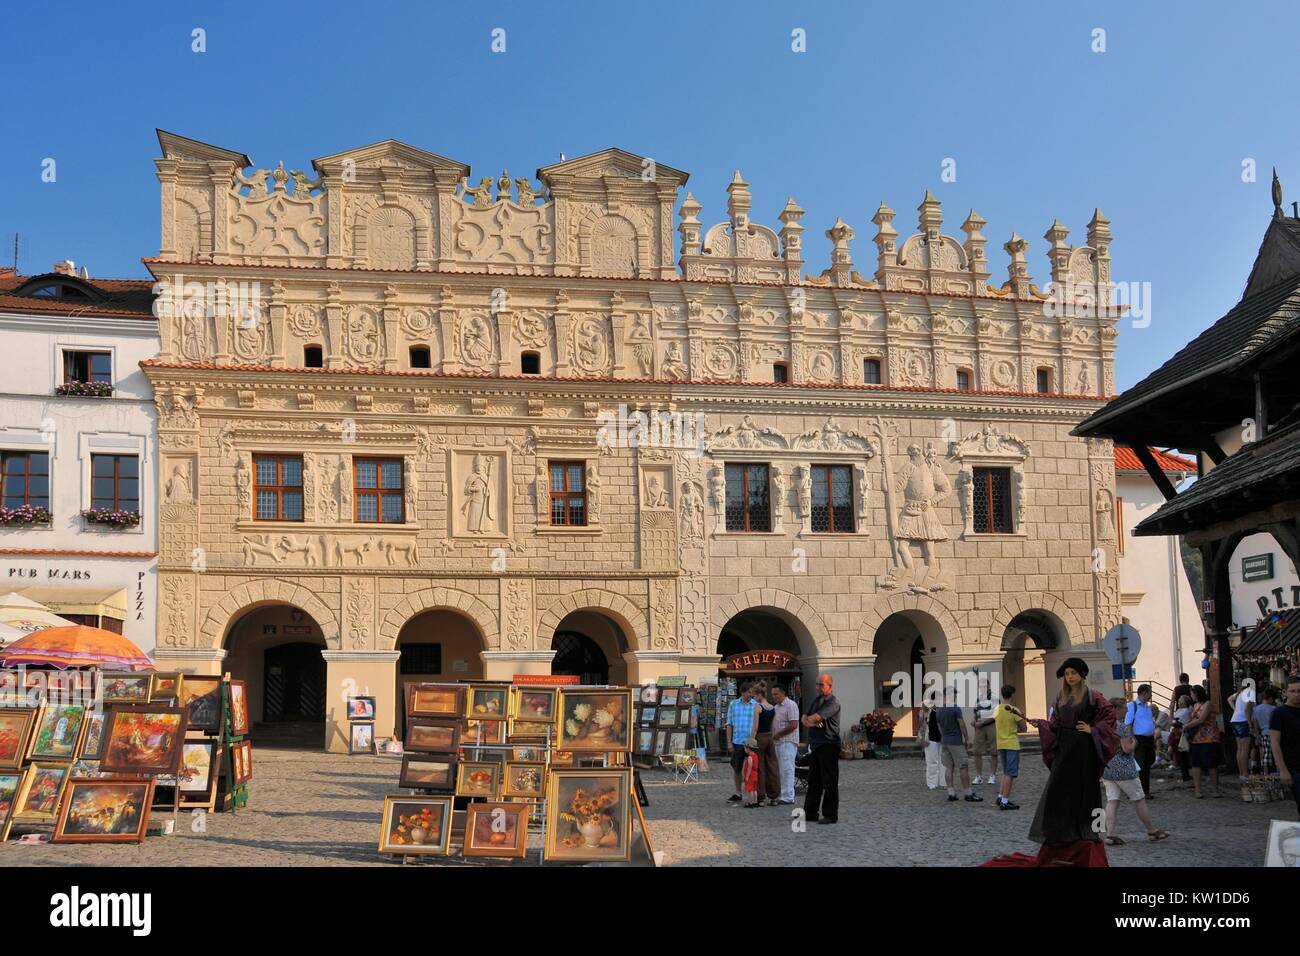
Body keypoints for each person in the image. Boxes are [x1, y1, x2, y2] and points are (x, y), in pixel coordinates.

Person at [1025, 658, 1118, 865]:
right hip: (1065, 751)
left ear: (1082, 675)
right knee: (1059, 791)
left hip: (1084, 751)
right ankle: (1061, 832)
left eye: (1073, 673)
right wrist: (1041, 724)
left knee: (1089, 792)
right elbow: (1055, 724)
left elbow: (1110, 716)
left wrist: (1093, 729)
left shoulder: (1094, 696)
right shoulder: (1060, 697)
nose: (1070, 677)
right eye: (1067, 674)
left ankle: (1091, 832)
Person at [1102, 723, 1170, 846]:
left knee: (1112, 800)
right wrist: (1135, 742)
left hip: (1108, 767)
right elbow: (1127, 748)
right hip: (1124, 768)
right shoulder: (1119, 726)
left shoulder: (1101, 725)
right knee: (1139, 799)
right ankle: (1152, 831)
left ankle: (1110, 834)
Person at [801, 674, 841, 824]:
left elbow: (815, 718)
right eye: (817, 684)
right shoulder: (816, 700)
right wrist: (810, 722)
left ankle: (830, 815)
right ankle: (810, 813)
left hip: (829, 745)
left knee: (829, 782)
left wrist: (811, 720)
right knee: (814, 781)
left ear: (830, 686)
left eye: (821, 685)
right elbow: (804, 718)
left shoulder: (833, 702)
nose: (818, 687)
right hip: (816, 745)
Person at [935, 686, 981, 802]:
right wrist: (967, 739)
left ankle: (951, 793)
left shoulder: (939, 709)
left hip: (945, 741)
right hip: (956, 741)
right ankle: (968, 793)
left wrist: (943, 736)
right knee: (963, 766)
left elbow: (939, 726)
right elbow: (962, 725)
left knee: (948, 767)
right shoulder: (955, 708)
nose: (956, 696)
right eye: (955, 694)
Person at [1269, 673, 1300, 819]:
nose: (1296, 695)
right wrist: (1283, 770)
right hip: (1294, 766)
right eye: (1293, 691)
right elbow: (1274, 741)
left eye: (1299, 691)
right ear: (1285, 692)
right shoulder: (1279, 713)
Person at [1183, 684, 1222, 799]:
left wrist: (1187, 726)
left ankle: (1215, 789)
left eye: (1192, 693)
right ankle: (1198, 790)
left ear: (1197, 693)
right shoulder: (1195, 705)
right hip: (1196, 739)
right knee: (1196, 765)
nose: (1191, 696)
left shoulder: (1208, 704)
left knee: (1212, 765)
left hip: (1209, 738)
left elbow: (1201, 720)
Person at [725, 682, 760, 805]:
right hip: (738, 741)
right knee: (737, 768)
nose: (751, 694)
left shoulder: (756, 705)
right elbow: (729, 724)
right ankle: (738, 792)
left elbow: (757, 724)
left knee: (753, 768)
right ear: (743, 692)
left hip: (751, 742)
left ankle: (753, 793)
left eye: (752, 692)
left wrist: (752, 740)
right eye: (749, 692)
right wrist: (729, 742)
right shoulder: (733, 704)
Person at [995, 684, 1026, 809]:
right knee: (1010, 774)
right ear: (1012, 694)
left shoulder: (997, 709)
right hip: (1012, 743)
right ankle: (1005, 801)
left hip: (1000, 743)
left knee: (1005, 772)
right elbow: (1024, 728)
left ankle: (1000, 796)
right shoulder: (1013, 710)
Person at [1124, 684, 1158, 800]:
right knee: (1139, 766)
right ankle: (1135, 792)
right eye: (1150, 692)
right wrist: (1133, 739)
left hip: (1148, 740)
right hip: (1139, 739)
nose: (1151, 695)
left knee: (1147, 765)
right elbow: (1128, 724)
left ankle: (1145, 791)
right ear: (1144, 693)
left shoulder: (1147, 707)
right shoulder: (1133, 706)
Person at [770, 684, 800, 805]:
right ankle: (783, 794)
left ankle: (788, 796)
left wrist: (778, 734)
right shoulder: (776, 707)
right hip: (778, 742)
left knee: (787, 769)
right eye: (772, 694)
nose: (774, 696)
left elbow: (793, 725)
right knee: (780, 770)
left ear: (783, 693)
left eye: (776, 694)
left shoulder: (790, 705)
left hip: (787, 741)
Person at [752, 684, 780, 806]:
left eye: (754, 695)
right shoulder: (773, 708)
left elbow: (755, 727)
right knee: (772, 766)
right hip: (770, 738)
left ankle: (761, 797)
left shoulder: (758, 707)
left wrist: (751, 740)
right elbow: (774, 726)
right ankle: (774, 796)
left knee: (760, 768)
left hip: (760, 738)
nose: (753, 698)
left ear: (759, 695)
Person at [1227, 678, 1257, 789]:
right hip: (1243, 721)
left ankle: (1241, 773)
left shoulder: (1239, 693)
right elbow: (1247, 710)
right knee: (1245, 749)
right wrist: (1250, 725)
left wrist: (1235, 710)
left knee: (1239, 749)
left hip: (1234, 720)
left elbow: (1229, 699)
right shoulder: (1251, 692)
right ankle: (1245, 773)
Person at [972, 683, 999, 786]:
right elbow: (975, 712)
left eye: (984, 686)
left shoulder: (994, 698)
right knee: (976, 751)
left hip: (991, 725)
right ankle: (979, 776)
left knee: (994, 751)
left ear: (989, 686)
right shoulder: (978, 699)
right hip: (979, 726)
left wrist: (982, 722)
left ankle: (992, 776)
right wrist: (974, 721)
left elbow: (996, 714)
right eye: (981, 686)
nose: (982, 688)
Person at [917, 698, 946, 790]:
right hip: (930, 739)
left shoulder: (940, 711)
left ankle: (943, 782)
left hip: (941, 739)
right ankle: (932, 783)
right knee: (931, 762)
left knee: (942, 762)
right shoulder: (924, 711)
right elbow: (921, 726)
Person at [1253, 686, 1278, 778]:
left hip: (1262, 733)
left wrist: (1257, 735)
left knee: (1265, 754)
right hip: (1272, 733)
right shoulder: (1273, 709)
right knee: (1275, 753)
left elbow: (1255, 723)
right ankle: (1275, 773)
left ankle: (1265, 773)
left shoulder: (1256, 709)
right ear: (1271, 698)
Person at [1169, 694, 1193, 787]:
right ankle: (1184, 774)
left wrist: (1172, 717)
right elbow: (1172, 721)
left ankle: (1185, 774)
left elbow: (1175, 722)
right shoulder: (1178, 710)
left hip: (1181, 733)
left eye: (1181, 700)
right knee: (1180, 754)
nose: (1179, 701)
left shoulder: (1186, 711)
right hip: (1175, 732)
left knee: (1182, 754)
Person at [741, 738, 761, 808]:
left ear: (748, 748)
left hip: (751, 776)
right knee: (755, 790)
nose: (744, 750)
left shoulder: (750, 757)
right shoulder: (755, 756)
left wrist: (746, 776)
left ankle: (751, 802)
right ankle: (755, 802)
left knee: (750, 790)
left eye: (745, 748)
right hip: (755, 775)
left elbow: (749, 767)